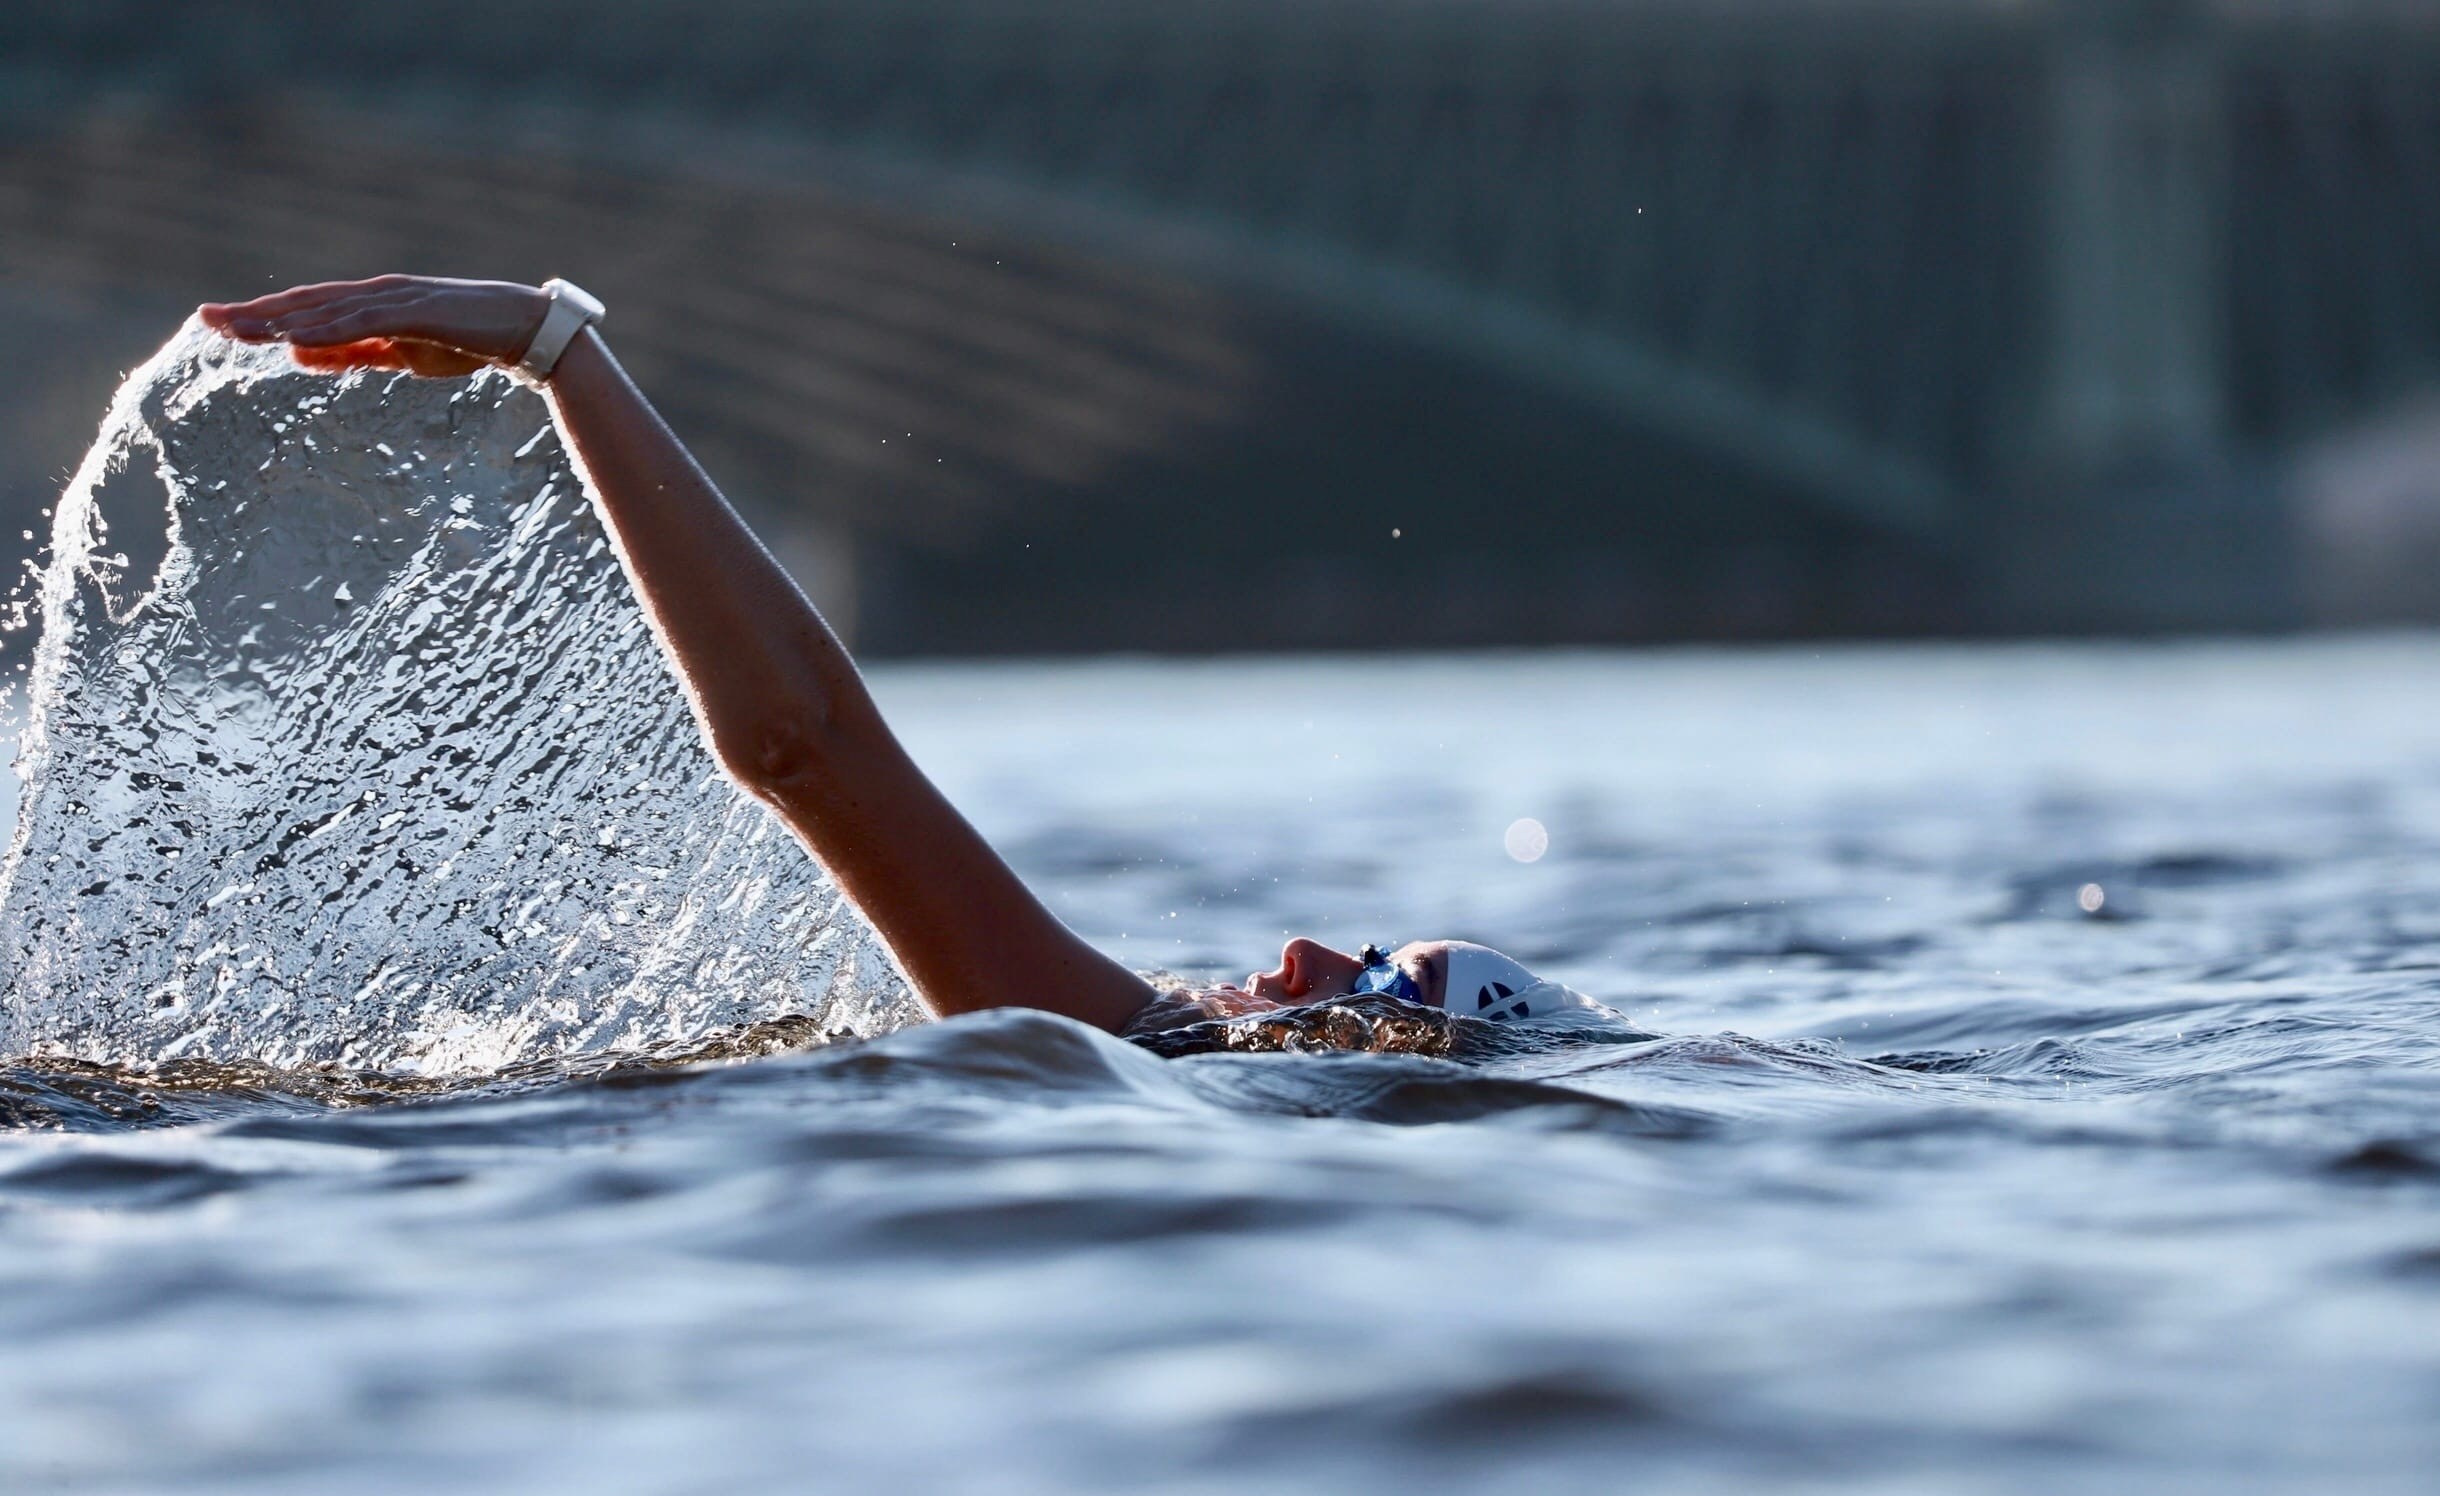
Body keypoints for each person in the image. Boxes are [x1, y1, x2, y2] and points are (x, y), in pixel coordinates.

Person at [199, 275, 1594, 1040]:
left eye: (1372, 986)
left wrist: (561, 349)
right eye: (1356, 950)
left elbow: (803, 748)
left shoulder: (1156, 1057)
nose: (1299, 951)